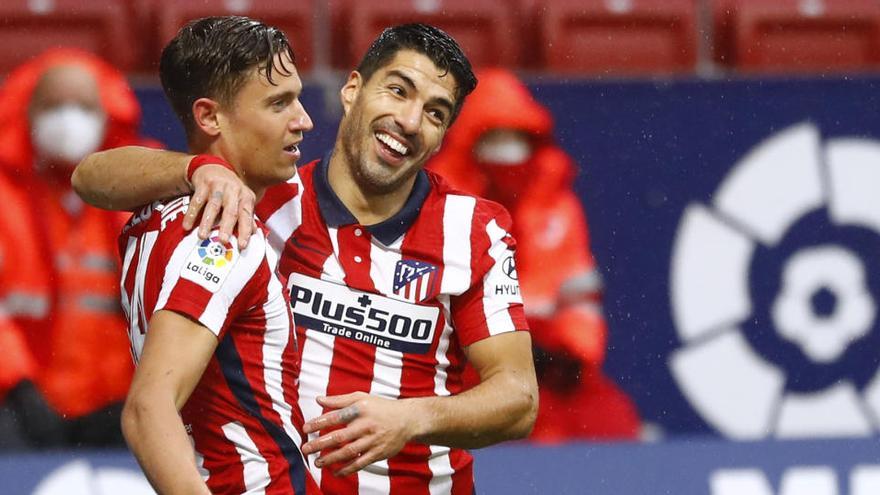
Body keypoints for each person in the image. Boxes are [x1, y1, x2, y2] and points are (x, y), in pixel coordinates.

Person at [74, 23, 538, 494]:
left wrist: (412, 417)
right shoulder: (257, 202)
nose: (411, 121)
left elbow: (519, 399)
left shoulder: (473, 229)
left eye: (436, 114)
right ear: (352, 90)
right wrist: (196, 168)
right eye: (398, 91)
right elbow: (91, 177)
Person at [114, 16, 319, 494]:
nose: (304, 119)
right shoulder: (224, 234)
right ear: (209, 117)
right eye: (278, 103)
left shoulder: (150, 216)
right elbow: (148, 409)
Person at [427, 68, 641, 441]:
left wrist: (570, 352)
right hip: (467, 366)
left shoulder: (557, 203)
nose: (508, 153)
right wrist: (502, 346)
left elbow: (579, 294)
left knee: (612, 420)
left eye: (516, 139)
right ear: (471, 142)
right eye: (495, 139)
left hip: (550, 367)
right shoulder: (439, 203)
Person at [0, 48, 161, 448]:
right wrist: (17, 388)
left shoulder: (146, 194)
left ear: (106, 115)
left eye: (84, 107)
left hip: (119, 407)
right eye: (54, 106)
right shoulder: (4, 198)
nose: (69, 119)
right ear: (28, 111)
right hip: (17, 407)